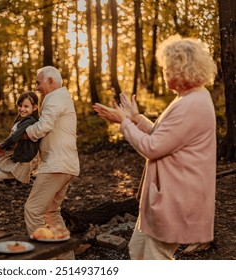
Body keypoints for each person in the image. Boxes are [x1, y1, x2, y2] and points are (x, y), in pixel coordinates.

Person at [93, 35, 217, 260]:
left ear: (183, 70)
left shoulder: (192, 104)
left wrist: (125, 123)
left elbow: (152, 147)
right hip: (164, 197)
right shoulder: (188, 98)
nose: (165, 73)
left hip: (175, 198)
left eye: (168, 69)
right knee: (138, 252)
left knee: (154, 260)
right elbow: (166, 137)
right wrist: (137, 119)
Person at [24, 66, 80, 238]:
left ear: (50, 81)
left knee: (33, 210)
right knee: (51, 212)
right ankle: (65, 259)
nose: (36, 87)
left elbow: (43, 126)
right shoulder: (61, 97)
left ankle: (45, 256)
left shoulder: (54, 97)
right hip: (65, 165)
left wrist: (19, 136)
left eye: (38, 82)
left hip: (57, 165)